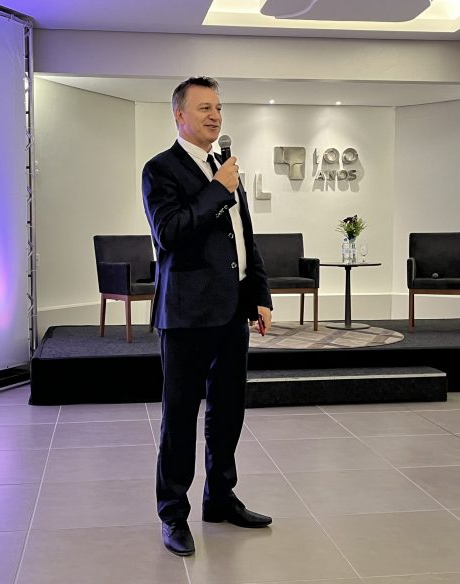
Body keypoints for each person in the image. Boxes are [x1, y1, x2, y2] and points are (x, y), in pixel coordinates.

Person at [141, 76, 274, 557]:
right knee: (180, 418)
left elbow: (244, 238)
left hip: (232, 312)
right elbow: (170, 233)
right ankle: (173, 513)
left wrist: (260, 294)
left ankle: (220, 497)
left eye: (218, 107)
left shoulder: (224, 166)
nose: (215, 115)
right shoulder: (160, 169)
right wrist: (218, 190)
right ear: (179, 115)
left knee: (228, 413)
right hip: (185, 316)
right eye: (204, 108)